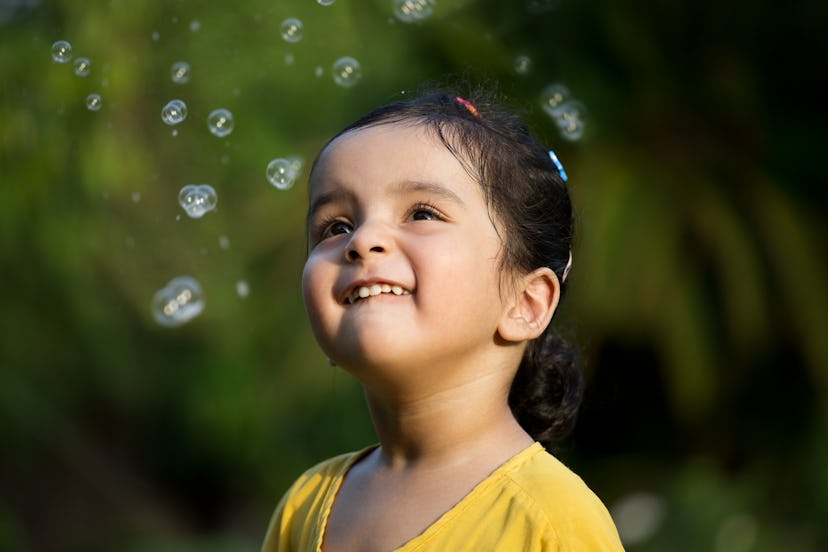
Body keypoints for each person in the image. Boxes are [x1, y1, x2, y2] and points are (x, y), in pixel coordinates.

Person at [262, 89, 624, 551]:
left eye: (421, 213)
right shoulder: (306, 504)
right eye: (336, 226)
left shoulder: (550, 520)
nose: (363, 239)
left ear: (525, 303)